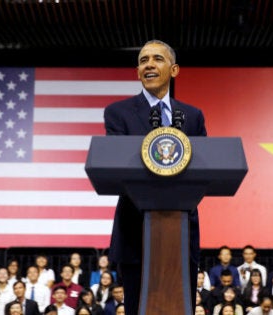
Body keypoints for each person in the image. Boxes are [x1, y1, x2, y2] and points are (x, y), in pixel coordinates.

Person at [103, 39, 207, 315]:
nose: (148, 64)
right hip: (135, 227)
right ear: (138, 71)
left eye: (157, 59)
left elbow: (206, 167)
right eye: (142, 60)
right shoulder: (118, 113)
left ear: (174, 70)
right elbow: (118, 165)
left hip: (181, 230)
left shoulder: (193, 116)